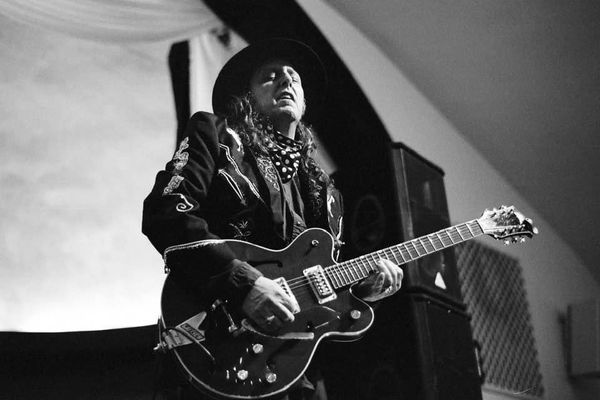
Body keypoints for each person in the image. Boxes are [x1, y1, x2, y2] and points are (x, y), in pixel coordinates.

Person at [142, 38, 404, 400]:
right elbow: (167, 210)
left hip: (291, 368)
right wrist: (243, 284)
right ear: (246, 95)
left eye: (294, 76)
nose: (286, 80)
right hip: (214, 344)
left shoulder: (326, 190)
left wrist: (361, 290)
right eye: (270, 75)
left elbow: (317, 280)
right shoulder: (215, 135)